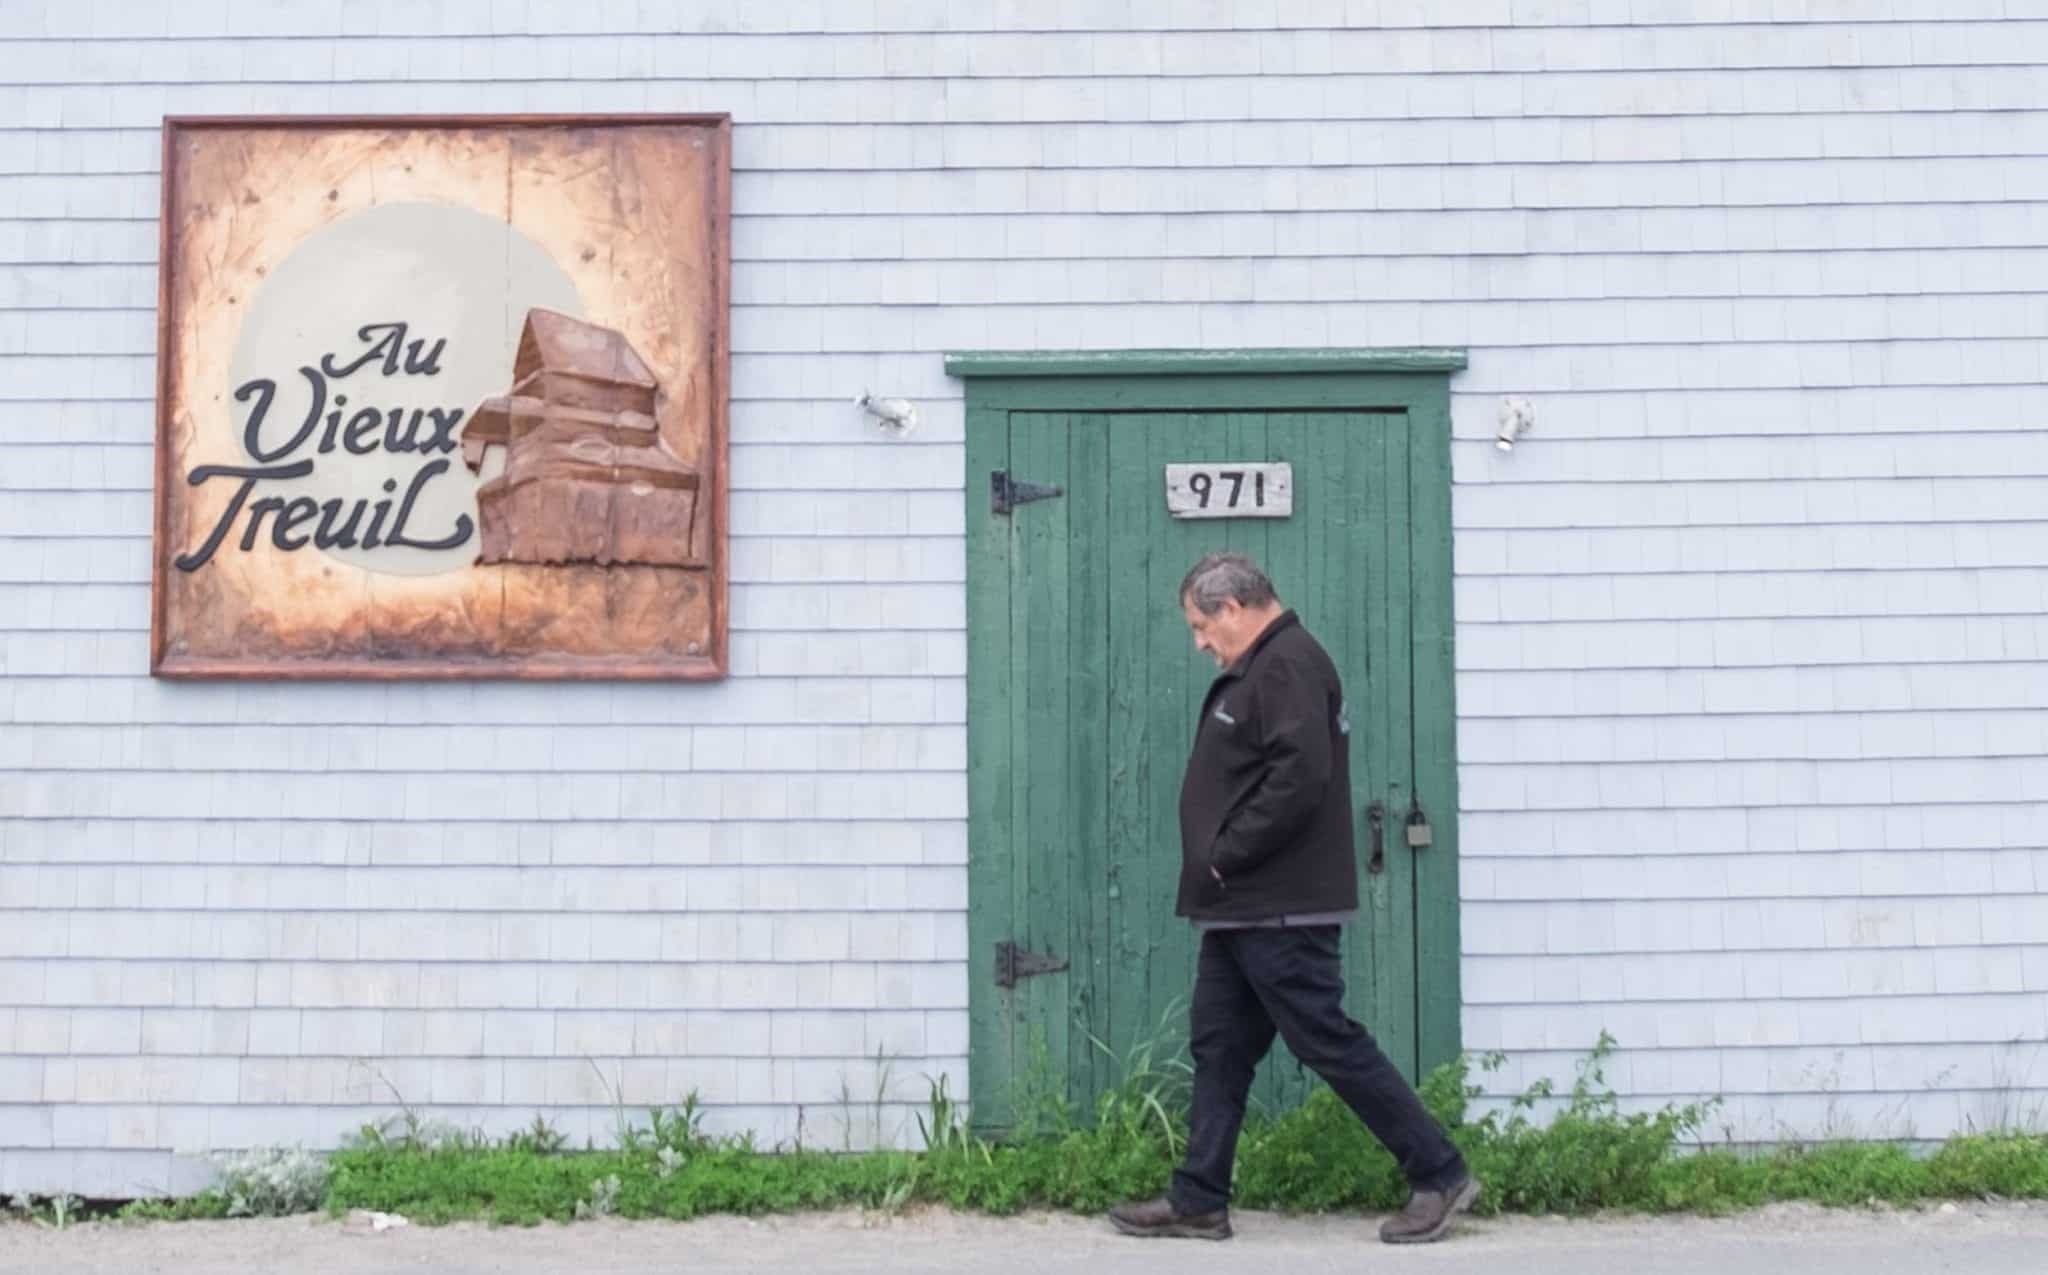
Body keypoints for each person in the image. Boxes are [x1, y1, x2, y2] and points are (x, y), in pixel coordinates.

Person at [1108, 552, 1479, 1245]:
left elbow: (1299, 777)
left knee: (1326, 1039)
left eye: (1200, 625)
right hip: (1241, 909)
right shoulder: (1265, 665)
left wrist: (1226, 854)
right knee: (1220, 1043)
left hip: (1280, 906)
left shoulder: (1286, 664)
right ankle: (1199, 1197)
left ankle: (1440, 1170)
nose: (1199, 642)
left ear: (1233, 609)